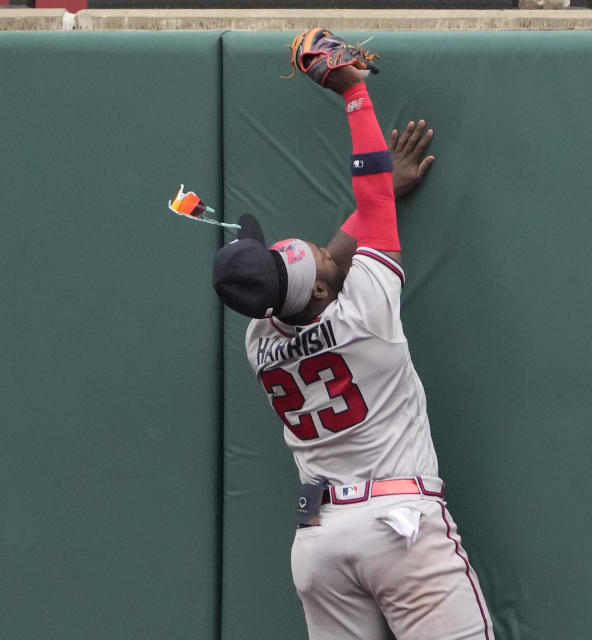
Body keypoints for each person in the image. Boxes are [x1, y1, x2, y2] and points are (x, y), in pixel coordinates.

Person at [212, 28, 494, 640]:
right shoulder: (364, 309)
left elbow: (325, 264)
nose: (323, 250)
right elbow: (353, 225)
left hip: (320, 542)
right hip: (400, 526)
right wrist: (353, 94)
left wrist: (380, 202)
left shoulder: (260, 342)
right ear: (320, 288)